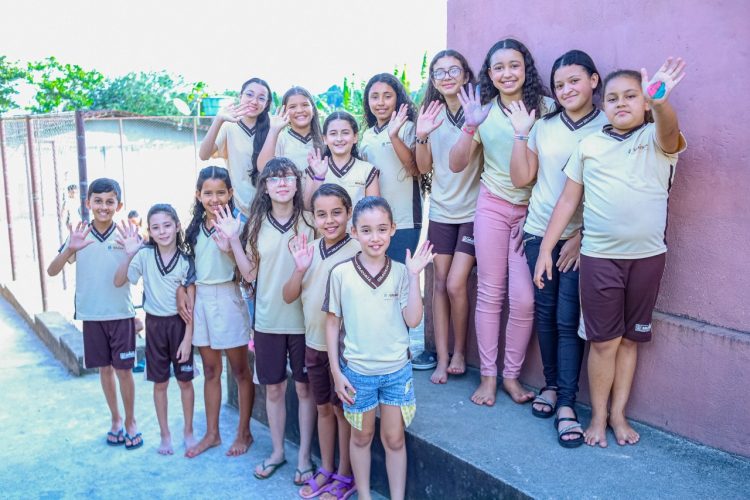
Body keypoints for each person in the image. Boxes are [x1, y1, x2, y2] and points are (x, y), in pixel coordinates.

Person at [533, 58, 687, 448]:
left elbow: (670, 133)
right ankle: (598, 417)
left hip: (648, 258)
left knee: (630, 341)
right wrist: (546, 249)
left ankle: (619, 415)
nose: (621, 103)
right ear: (603, 105)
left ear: (645, 103)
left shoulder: (655, 139)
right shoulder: (590, 146)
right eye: (613, 98)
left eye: (631, 96)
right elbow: (568, 201)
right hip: (599, 258)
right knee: (604, 342)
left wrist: (661, 102)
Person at [507, 49, 608, 447]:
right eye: (559, 85)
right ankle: (551, 386)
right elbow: (522, 179)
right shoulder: (544, 126)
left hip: (584, 238)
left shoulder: (608, 125)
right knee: (546, 314)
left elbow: (609, 194)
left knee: (569, 320)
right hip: (538, 234)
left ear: (594, 81)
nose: (566, 90)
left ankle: (567, 403)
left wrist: (581, 238)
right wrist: (521, 133)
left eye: (574, 81)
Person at [449, 38, 553, 406]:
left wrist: (537, 214)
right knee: (490, 294)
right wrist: (469, 127)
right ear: (489, 74)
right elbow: (456, 164)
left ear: (526, 69)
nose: (507, 73)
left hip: (532, 215)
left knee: (524, 300)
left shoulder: (548, 109)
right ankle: (488, 377)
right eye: (499, 67)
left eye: (514, 65)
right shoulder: (483, 111)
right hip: (492, 207)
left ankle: (512, 376)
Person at [213, 158, 317, 485]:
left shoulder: (312, 221)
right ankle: (277, 451)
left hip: (306, 322)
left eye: (288, 177)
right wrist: (233, 241)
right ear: (265, 188)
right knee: (273, 389)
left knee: (305, 389)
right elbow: (249, 274)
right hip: (269, 321)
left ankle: (304, 457)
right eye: (274, 178)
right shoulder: (256, 225)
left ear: (297, 184)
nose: (282, 183)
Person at [324, 197, 434, 500]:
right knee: (361, 437)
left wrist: (414, 276)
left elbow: (413, 319)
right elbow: (332, 325)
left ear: (393, 229)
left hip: (396, 372)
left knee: (394, 439)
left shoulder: (400, 272)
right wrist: (336, 373)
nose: (375, 237)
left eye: (382, 229)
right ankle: (364, 495)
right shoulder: (341, 274)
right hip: (358, 373)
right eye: (367, 230)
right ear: (354, 232)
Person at [47, 178, 143, 450]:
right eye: (97, 201)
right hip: (91, 316)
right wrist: (70, 249)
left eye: (110, 201)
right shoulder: (80, 235)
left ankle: (131, 422)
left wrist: (132, 251)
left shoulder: (125, 236)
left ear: (119, 206)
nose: (103, 206)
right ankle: (115, 419)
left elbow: (135, 275)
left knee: (124, 371)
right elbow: (52, 271)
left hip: (121, 315)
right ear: (88, 203)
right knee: (105, 369)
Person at [283, 184, 361, 499]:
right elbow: (288, 296)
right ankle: (327, 469)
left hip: (344, 350)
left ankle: (345, 474)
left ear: (349, 213)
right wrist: (299, 269)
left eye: (336, 213)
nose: (329, 220)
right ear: (313, 217)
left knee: (342, 412)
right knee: (323, 409)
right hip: (314, 345)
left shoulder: (358, 249)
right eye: (322, 214)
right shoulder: (308, 250)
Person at [415, 49, 482, 384]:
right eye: (439, 72)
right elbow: (423, 167)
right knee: (439, 284)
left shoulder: (478, 111)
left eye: (453, 70)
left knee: (457, 283)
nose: (446, 77)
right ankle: (442, 358)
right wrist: (422, 134)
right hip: (441, 211)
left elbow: (465, 162)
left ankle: (460, 352)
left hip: (473, 212)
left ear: (466, 75)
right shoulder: (430, 112)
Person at [181, 166, 254, 458]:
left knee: (240, 371)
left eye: (220, 192)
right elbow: (187, 268)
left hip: (228, 296)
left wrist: (230, 247)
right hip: (201, 299)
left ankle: (244, 432)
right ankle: (212, 434)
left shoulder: (238, 224)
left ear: (231, 193)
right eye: (208, 193)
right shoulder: (193, 229)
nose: (214, 199)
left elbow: (248, 270)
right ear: (198, 195)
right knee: (211, 370)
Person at [113, 204, 197, 455]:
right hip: (155, 325)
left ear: (178, 226)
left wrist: (188, 339)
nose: (162, 232)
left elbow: (191, 304)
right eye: (156, 227)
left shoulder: (186, 260)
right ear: (149, 231)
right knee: (159, 384)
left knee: (185, 382)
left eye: (167, 225)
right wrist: (128, 255)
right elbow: (119, 281)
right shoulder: (144, 256)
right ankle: (165, 435)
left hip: (179, 325)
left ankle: (188, 431)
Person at [198, 78, 273, 219]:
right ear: (240, 96)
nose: (254, 101)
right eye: (249, 94)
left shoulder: (273, 128)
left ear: (267, 103)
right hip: (239, 211)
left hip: (269, 210)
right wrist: (219, 119)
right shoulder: (229, 126)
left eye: (261, 98)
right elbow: (203, 155)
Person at [303, 111, 380, 218]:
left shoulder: (367, 170)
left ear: (355, 137)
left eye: (345, 133)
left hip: (356, 229)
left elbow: (374, 211)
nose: (339, 139)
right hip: (324, 229)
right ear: (325, 139)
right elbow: (308, 207)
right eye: (333, 133)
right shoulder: (315, 168)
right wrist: (319, 177)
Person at [258, 86, 324, 177]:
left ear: (313, 109)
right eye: (292, 107)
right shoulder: (279, 139)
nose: (299, 110)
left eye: (305, 105)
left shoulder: (326, 139)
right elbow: (263, 168)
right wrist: (273, 130)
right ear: (285, 112)